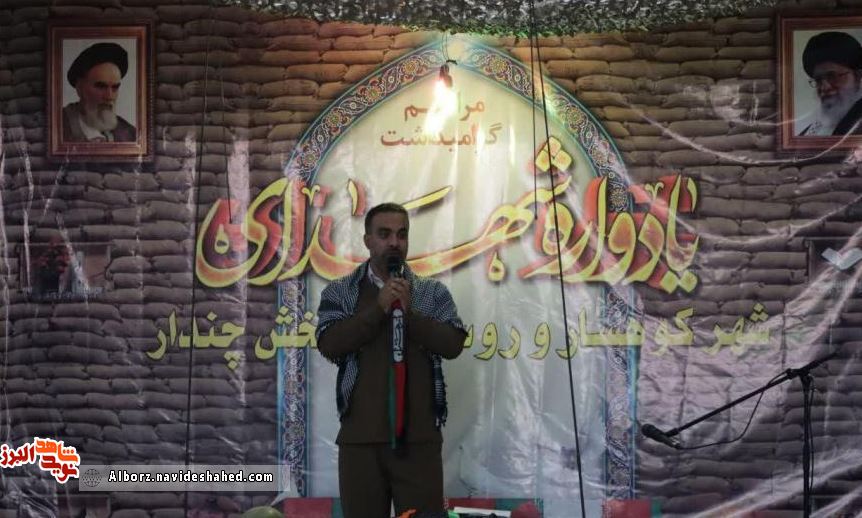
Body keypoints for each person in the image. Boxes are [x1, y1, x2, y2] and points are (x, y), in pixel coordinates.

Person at [315, 203, 467, 518]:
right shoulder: (341, 292)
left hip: (418, 442)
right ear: (368, 240)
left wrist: (409, 314)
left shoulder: (431, 292)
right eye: (384, 234)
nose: (394, 242)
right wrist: (379, 308)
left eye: (401, 234)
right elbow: (330, 344)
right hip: (361, 440)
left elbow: (453, 344)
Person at [63, 42, 136, 142]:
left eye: (115, 87)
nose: (109, 96)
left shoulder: (130, 134)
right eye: (101, 87)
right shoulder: (56, 126)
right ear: (80, 88)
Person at [799, 31, 862, 136]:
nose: (824, 87)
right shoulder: (810, 132)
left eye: (833, 77)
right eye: (818, 80)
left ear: (858, 76)